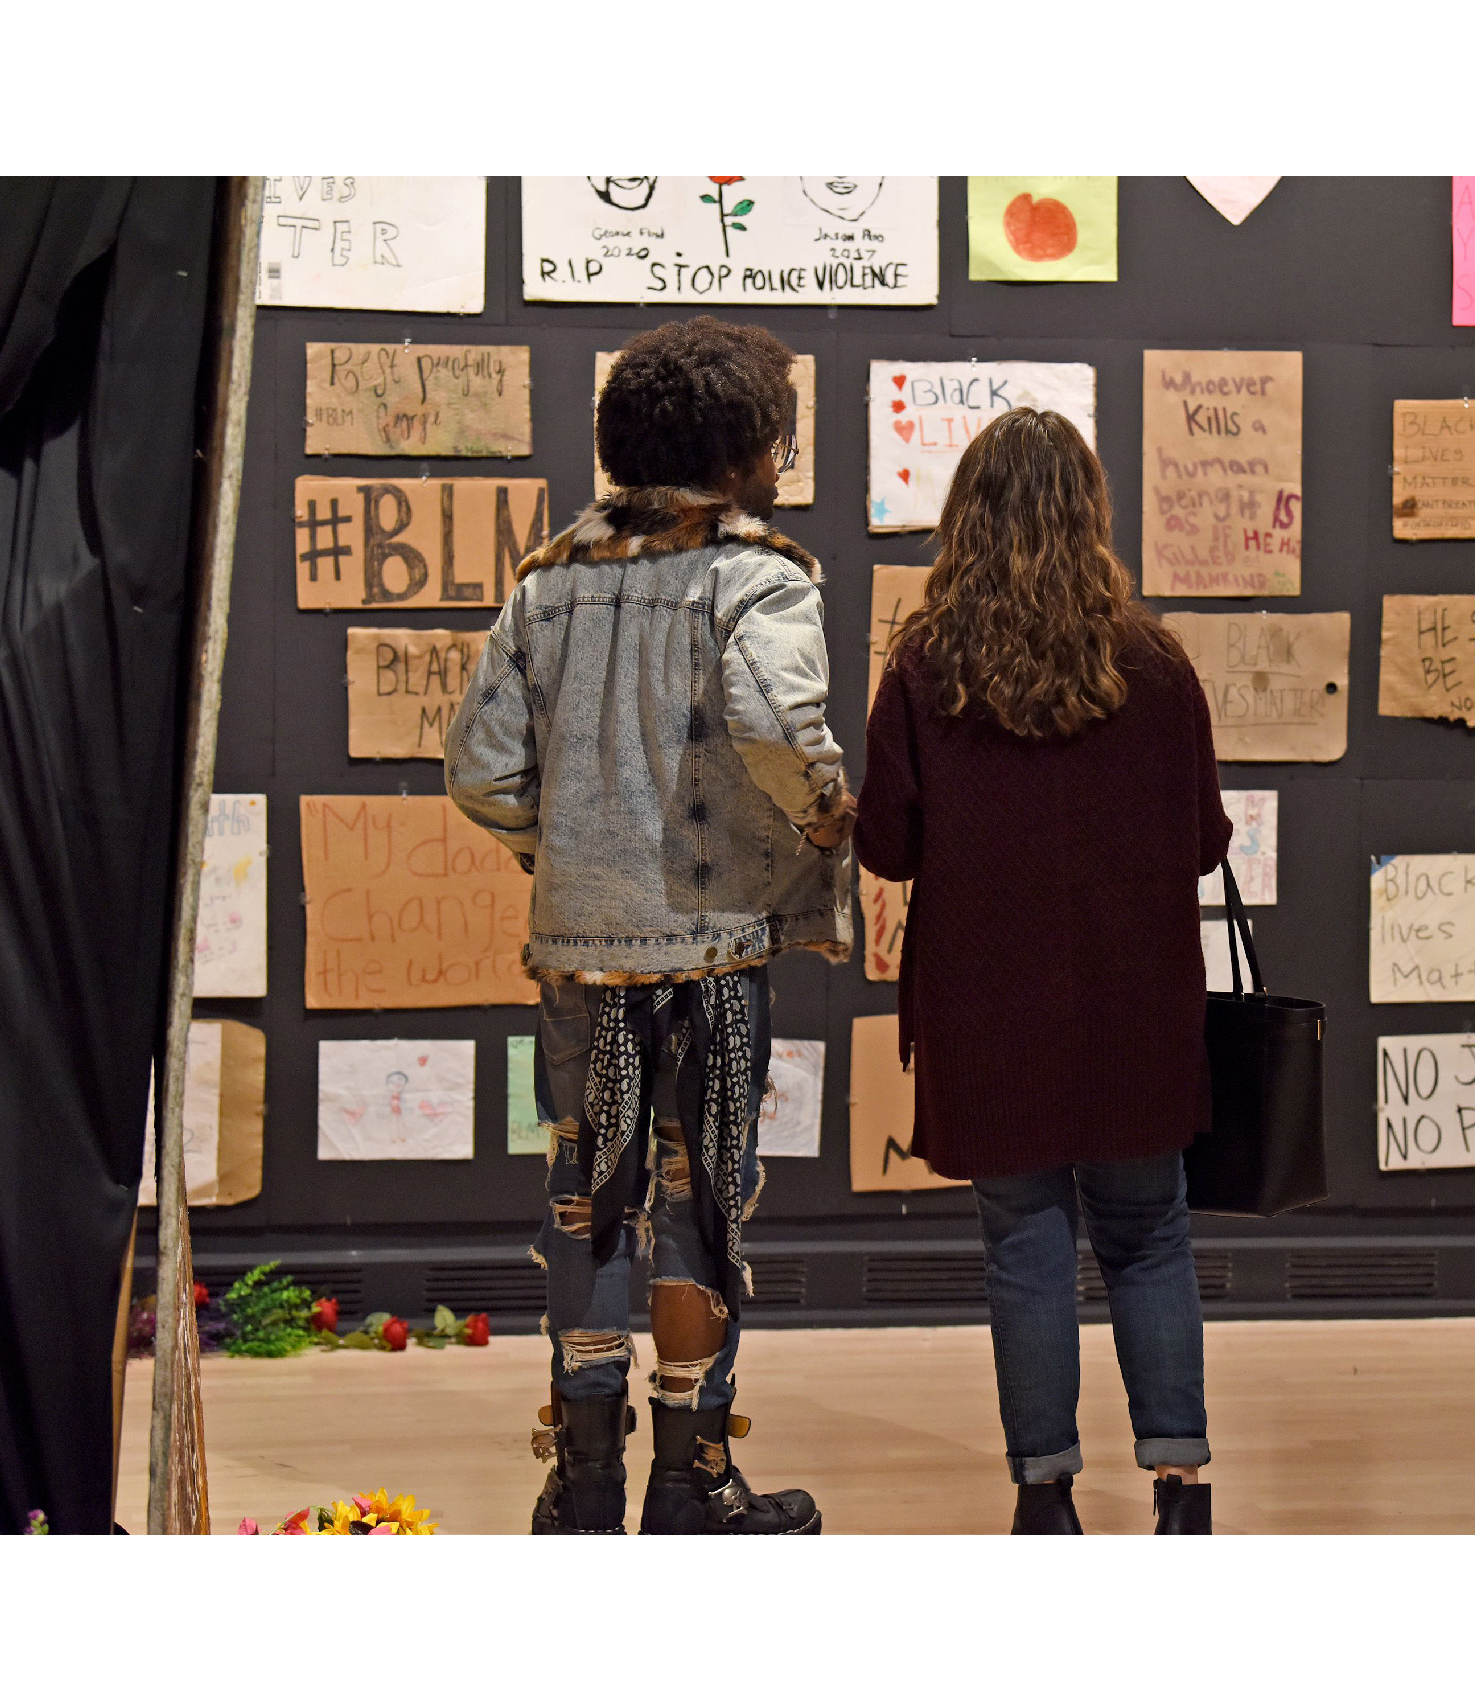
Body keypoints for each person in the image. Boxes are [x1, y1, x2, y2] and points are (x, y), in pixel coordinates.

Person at [446, 316, 853, 1536]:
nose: (782, 458)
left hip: (578, 947)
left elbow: (480, 770)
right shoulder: (758, 575)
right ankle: (692, 1479)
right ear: (740, 445)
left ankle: (582, 1481)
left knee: (583, 1197)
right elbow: (783, 732)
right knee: (703, 1199)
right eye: (774, 435)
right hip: (714, 949)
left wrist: (559, 853)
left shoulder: (544, 581)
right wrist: (827, 820)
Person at [853, 407, 1228, 1535]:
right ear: (1091, 516)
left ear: (964, 521)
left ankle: (1045, 1494)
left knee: (1024, 1244)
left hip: (988, 1006)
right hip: (1136, 1002)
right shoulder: (1155, 663)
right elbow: (1203, 839)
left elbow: (887, 846)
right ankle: (1180, 1486)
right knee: (1148, 1234)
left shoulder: (926, 667)